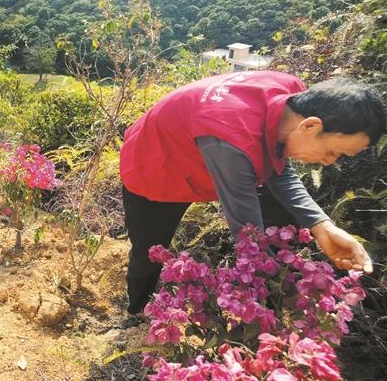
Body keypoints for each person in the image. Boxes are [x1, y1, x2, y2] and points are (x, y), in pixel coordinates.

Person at [120, 71, 386, 315]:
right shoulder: (231, 140)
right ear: (311, 126)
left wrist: (323, 227)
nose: (329, 162)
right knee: (149, 251)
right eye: (333, 152)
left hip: (204, 151)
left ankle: (275, 280)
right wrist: (295, 303)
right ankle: (137, 310)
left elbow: (278, 168)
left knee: (282, 214)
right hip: (156, 167)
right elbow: (248, 237)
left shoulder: (291, 98)